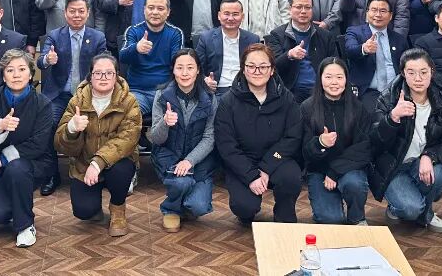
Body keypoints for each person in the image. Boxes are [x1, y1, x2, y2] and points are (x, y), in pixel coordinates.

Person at [369, 48, 442, 233]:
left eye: (423, 72)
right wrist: (392, 117)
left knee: (439, 175)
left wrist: (429, 156)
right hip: (393, 167)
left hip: (421, 163)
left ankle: (427, 213)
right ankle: (401, 207)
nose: (418, 78)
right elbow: (374, 142)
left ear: (432, 72)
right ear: (403, 73)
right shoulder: (389, 98)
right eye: (411, 72)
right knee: (410, 209)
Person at [54, 53, 142, 237]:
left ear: (116, 76)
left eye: (109, 73)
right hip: (84, 164)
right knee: (84, 211)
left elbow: (128, 139)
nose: (103, 77)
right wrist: (71, 129)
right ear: (90, 76)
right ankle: (94, 206)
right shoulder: (77, 101)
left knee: (122, 169)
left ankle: (118, 208)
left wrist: (98, 163)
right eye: (98, 73)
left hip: (115, 163)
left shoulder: (129, 101)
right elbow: (60, 145)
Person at [214, 43, 302, 224]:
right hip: (243, 162)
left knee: (291, 178)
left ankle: (284, 215)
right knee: (244, 206)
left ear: (272, 70)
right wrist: (252, 175)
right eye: (251, 66)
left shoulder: (286, 98)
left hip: (276, 159)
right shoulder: (228, 102)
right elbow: (227, 146)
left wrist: (267, 167)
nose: (257, 71)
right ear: (243, 69)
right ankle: (247, 213)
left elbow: (292, 137)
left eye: (263, 67)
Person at [0, 49, 56, 247]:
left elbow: (38, 145)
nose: (16, 75)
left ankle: (25, 225)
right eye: (10, 70)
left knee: (16, 168)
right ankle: (15, 203)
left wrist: (1, 160)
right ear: (3, 76)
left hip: (30, 163)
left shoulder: (43, 104)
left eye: (22, 69)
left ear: (30, 74)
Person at [36, 0, 108, 195]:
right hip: (60, 95)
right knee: (48, 125)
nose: (77, 15)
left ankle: (95, 169)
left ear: (88, 13)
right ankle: (52, 174)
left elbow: (104, 63)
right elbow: (41, 61)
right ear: (65, 13)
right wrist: (48, 60)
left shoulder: (98, 37)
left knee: (98, 126)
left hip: (89, 95)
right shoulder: (54, 35)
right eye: (72, 11)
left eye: (81, 11)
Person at [147, 49, 218, 232]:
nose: (185, 73)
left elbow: (209, 137)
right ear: (173, 70)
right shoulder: (162, 96)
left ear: (198, 70)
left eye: (190, 68)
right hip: (170, 155)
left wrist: (189, 161)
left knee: (198, 206)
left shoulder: (210, 98)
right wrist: (165, 123)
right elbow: (156, 138)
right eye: (179, 68)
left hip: (199, 160)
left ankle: (185, 202)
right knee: (181, 182)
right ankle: (171, 209)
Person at [301, 58, 372, 225]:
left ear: (346, 79)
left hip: (350, 169)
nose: (334, 82)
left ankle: (357, 218)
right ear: (320, 79)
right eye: (328, 77)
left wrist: (335, 170)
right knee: (330, 220)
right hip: (318, 171)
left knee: (354, 184)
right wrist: (320, 143)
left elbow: (365, 147)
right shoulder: (307, 108)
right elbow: (304, 151)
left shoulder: (358, 108)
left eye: (339, 77)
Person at [265, 0, 340, 103]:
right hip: (290, 91)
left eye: (307, 7)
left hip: (320, 90)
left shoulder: (325, 36)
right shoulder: (277, 35)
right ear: (290, 9)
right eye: (299, 7)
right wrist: (289, 55)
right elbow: (272, 67)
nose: (303, 11)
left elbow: (336, 64)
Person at [119, 0, 184, 119]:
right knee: (127, 116)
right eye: (151, 8)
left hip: (165, 92)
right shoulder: (133, 31)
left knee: (175, 117)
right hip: (138, 92)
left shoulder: (175, 33)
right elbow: (122, 57)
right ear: (144, 10)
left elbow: (178, 63)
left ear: (168, 12)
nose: (155, 12)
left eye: (160, 8)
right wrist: (136, 48)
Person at [344, 0, 410, 107]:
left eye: (383, 11)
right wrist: (363, 49)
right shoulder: (355, 32)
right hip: (368, 91)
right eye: (374, 10)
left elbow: (407, 64)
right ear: (367, 13)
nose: (378, 14)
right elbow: (349, 50)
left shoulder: (399, 39)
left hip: (396, 91)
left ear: (390, 16)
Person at [194, 0, 261, 96]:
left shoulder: (253, 40)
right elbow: (196, 68)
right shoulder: (206, 38)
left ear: (242, 17)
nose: (230, 18)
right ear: (219, 16)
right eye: (226, 14)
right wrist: (205, 80)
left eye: (235, 14)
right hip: (217, 91)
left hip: (245, 90)